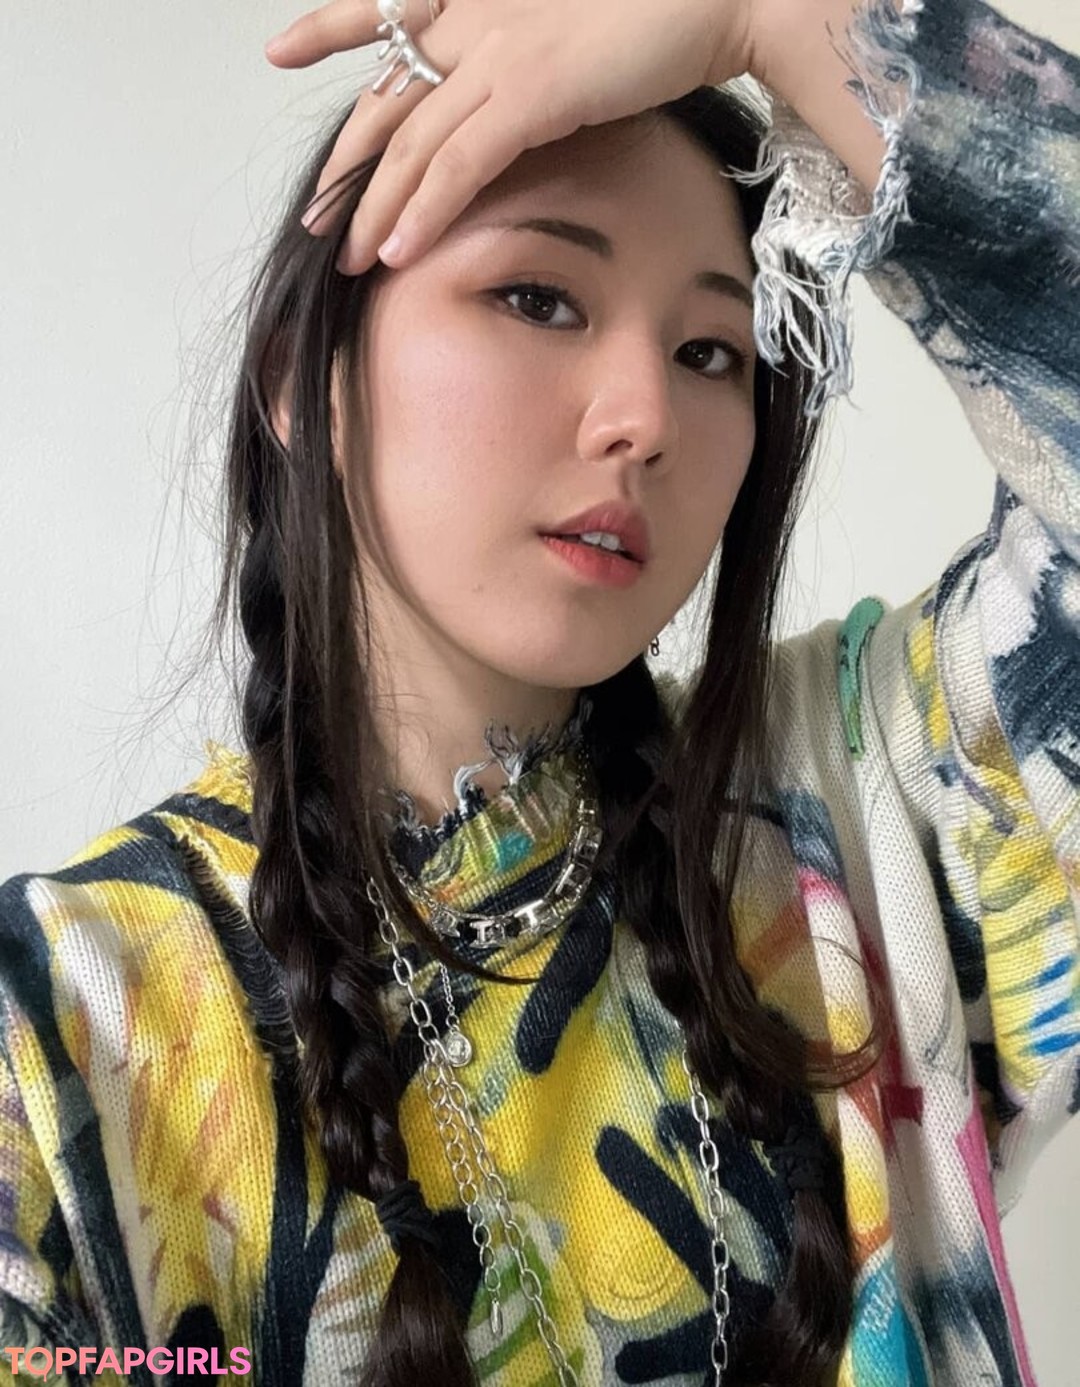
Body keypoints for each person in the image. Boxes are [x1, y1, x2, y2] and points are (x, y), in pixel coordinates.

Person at [1, 0, 1077, 1381]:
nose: (644, 416)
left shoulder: (865, 808)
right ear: (301, 378)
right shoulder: (64, 1030)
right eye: (538, 299)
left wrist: (776, 21)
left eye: (711, 351)